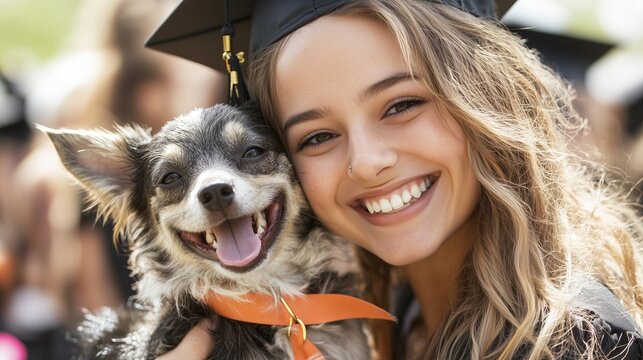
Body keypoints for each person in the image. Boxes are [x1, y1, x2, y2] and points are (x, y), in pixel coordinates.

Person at [149, 0, 643, 358]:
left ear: (489, 99)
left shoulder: (581, 344)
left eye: (402, 105)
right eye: (316, 137)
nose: (366, 162)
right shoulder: (393, 322)